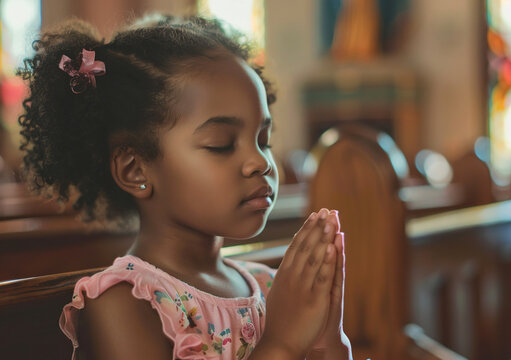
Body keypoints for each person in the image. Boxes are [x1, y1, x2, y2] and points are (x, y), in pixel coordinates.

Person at [17, 14, 352, 360]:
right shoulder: (124, 303)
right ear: (135, 170)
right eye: (221, 144)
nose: (261, 162)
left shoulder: (271, 287)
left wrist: (329, 338)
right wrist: (282, 344)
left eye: (263, 140)